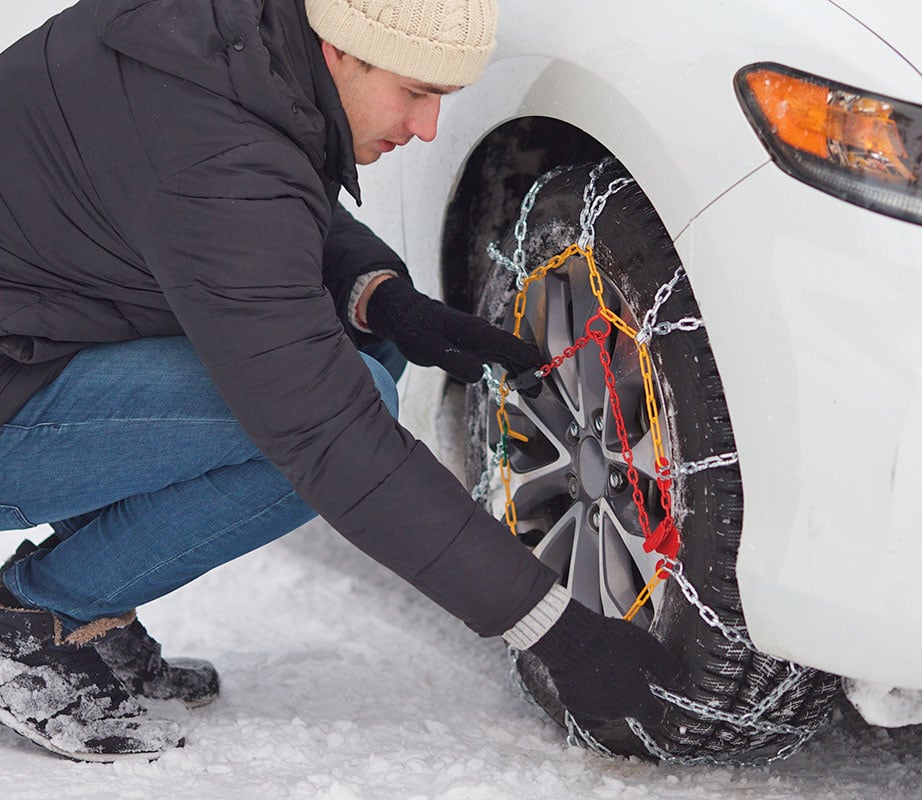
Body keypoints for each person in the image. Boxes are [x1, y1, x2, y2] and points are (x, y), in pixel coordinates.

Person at [0, 0, 682, 762]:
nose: (426, 127)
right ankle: (36, 621)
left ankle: (91, 601)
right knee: (315, 424)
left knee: (361, 345)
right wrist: (554, 629)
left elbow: (251, 197)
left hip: (33, 341)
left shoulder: (233, 44)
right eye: (414, 92)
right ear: (340, 50)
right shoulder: (218, 153)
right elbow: (325, 434)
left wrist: (381, 297)